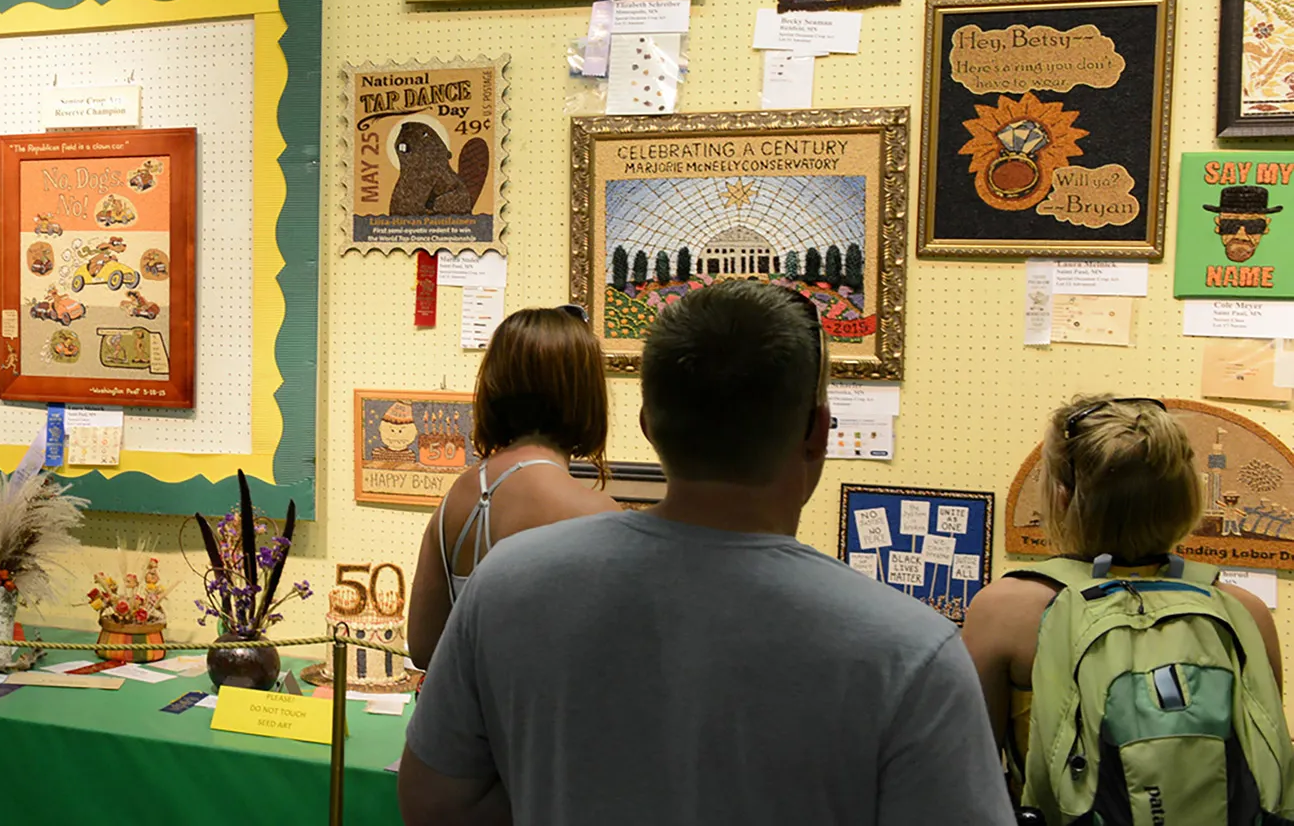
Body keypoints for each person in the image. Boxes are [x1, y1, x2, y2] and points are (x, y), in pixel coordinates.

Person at [400, 279, 1013, 826]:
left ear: (647, 422)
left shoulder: (508, 582)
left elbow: (433, 805)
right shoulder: (914, 654)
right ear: (819, 431)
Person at [962, 395, 1285, 800]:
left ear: (1063, 497)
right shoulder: (1243, 612)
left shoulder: (1006, 609)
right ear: (1186, 499)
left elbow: (966, 775)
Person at [406, 306, 616, 668]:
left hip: (467, 722)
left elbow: (423, 648)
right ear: (586, 394)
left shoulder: (459, 496)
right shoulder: (597, 515)